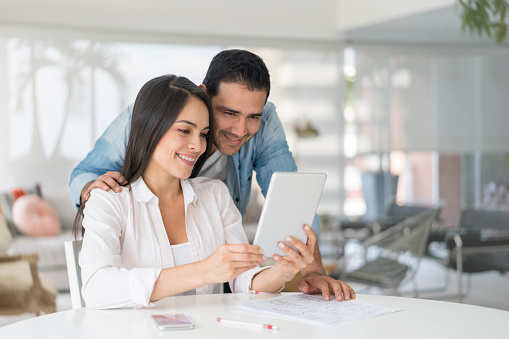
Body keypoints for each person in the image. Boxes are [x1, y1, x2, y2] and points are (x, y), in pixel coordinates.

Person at [70, 49, 355, 302]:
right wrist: (94, 191)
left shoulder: (215, 193)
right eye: (229, 113)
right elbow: (97, 285)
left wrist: (304, 269)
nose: (241, 130)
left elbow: (290, 202)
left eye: (204, 133)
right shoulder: (146, 116)